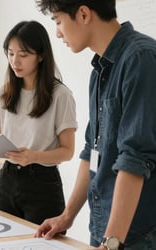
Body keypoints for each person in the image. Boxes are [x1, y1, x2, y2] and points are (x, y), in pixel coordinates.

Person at [35, 1, 156, 249]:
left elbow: (135, 157)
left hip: (135, 236)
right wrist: (67, 216)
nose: (57, 32)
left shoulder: (141, 59)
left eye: (58, 21)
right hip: (104, 229)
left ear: (83, 13)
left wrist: (112, 243)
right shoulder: (100, 70)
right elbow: (93, 151)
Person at [0, 20, 77, 227]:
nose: (15, 61)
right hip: (7, 179)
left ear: (41, 55)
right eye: (10, 53)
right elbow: (0, 137)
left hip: (42, 184)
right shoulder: (4, 92)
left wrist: (34, 156)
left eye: (23, 54)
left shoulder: (60, 95)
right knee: (4, 243)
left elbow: (68, 151)